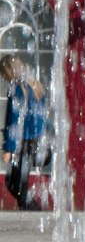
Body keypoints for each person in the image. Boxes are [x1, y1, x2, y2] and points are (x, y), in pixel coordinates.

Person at [1, 54, 47, 210]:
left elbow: (12, 120)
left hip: (25, 141)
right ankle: (30, 209)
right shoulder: (34, 85)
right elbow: (42, 114)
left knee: (15, 183)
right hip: (37, 140)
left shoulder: (16, 88)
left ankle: (33, 210)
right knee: (20, 181)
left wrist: (8, 148)